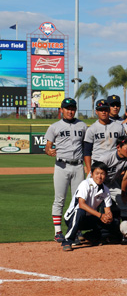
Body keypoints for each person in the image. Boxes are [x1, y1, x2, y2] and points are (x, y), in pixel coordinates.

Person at [44, 97, 87, 242]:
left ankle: (77, 229)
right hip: (61, 166)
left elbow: (87, 146)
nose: (70, 111)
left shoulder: (82, 126)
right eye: (67, 108)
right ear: (62, 110)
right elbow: (47, 146)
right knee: (59, 199)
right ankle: (58, 232)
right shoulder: (54, 126)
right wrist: (49, 151)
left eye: (73, 108)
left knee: (79, 200)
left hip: (78, 166)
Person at [60, 162, 119, 251]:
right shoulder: (85, 184)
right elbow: (81, 204)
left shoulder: (106, 190)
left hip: (89, 218)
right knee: (80, 211)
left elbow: (107, 209)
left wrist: (108, 216)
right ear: (91, 174)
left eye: (102, 174)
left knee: (114, 222)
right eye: (97, 173)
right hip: (73, 218)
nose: (99, 176)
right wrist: (100, 215)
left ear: (106, 175)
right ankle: (68, 241)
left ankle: (89, 236)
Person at [83, 99, 127, 174]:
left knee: (114, 185)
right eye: (101, 110)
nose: (103, 112)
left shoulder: (119, 127)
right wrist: (89, 169)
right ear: (96, 112)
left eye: (105, 110)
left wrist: (123, 165)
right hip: (97, 163)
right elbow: (87, 151)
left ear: (109, 111)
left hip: (115, 163)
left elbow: (124, 146)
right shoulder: (91, 129)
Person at [101, 135, 127, 220]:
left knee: (125, 204)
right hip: (97, 182)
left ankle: (125, 229)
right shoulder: (107, 157)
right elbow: (96, 175)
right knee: (93, 204)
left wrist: (123, 195)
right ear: (118, 147)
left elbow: (126, 177)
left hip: (111, 183)